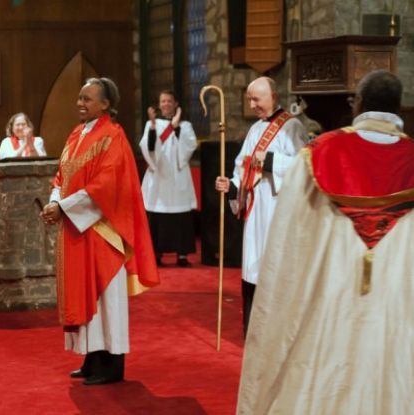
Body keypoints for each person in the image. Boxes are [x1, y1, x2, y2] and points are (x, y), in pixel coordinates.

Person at [236, 70, 414, 413]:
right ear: (400, 107)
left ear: (357, 103)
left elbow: (288, 242)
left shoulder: (319, 153)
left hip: (331, 303)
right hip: (397, 305)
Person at [40, 77, 159, 385]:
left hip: (103, 229)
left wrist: (64, 207)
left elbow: (107, 185)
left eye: (88, 99)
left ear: (106, 104)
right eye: (79, 98)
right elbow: (61, 176)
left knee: (105, 297)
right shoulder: (77, 134)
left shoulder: (113, 136)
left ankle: (111, 364)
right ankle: (92, 358)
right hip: (78, 228)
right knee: (85, 295)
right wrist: (55, 201)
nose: (80, 103)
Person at [214, 77, 307, 337]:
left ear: (274, 97)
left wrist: (271, 162)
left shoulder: (292, 127)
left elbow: (305, 166)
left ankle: (274, 334)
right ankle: (253, 331)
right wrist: (231, 186)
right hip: (256, 211)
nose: (252, 104)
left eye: (257, 99)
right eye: (249, 100)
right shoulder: (255, 130)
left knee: (273, 267)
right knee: (253, 269)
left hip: (277, 210)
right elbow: (241, 168)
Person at [139, 90, 197, 267]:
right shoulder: (151, 124)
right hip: (159, 177)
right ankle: (157, 253)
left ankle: (182, 255)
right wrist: (155, 127)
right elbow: (148, 149)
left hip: (177, 176)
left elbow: (189, 145)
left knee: (181, 216)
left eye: (169, 101)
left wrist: (176, 125)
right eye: (162, 101)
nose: (165, 104)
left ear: (175, 104)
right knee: (157, 215)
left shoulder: (185, 125)